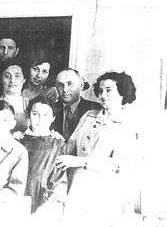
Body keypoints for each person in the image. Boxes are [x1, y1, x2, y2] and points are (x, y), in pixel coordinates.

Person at [55, 71, 138, 227]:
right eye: (100, 91)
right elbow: (69, 148)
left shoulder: (126, 126)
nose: (103, 95)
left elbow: (117, 165)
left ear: (123, 92)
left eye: (109, 90)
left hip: (104, 194)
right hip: (76, 188)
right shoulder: (89, 116)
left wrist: (79, 161)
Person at [20, 97, 67, 217]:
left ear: (53, 118)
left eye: (46, 115)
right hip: (19, 197)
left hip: (45, 200)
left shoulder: (58, 144)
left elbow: (60, 179)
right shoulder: (18, 141)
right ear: (28, 115)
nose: (40, 119)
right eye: (35, 114)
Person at [53, 68, 102, 142]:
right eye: (60, 85)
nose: (65, 89)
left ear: (81, 86)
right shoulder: (50, 109)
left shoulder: (95, 109)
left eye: (70, 84)